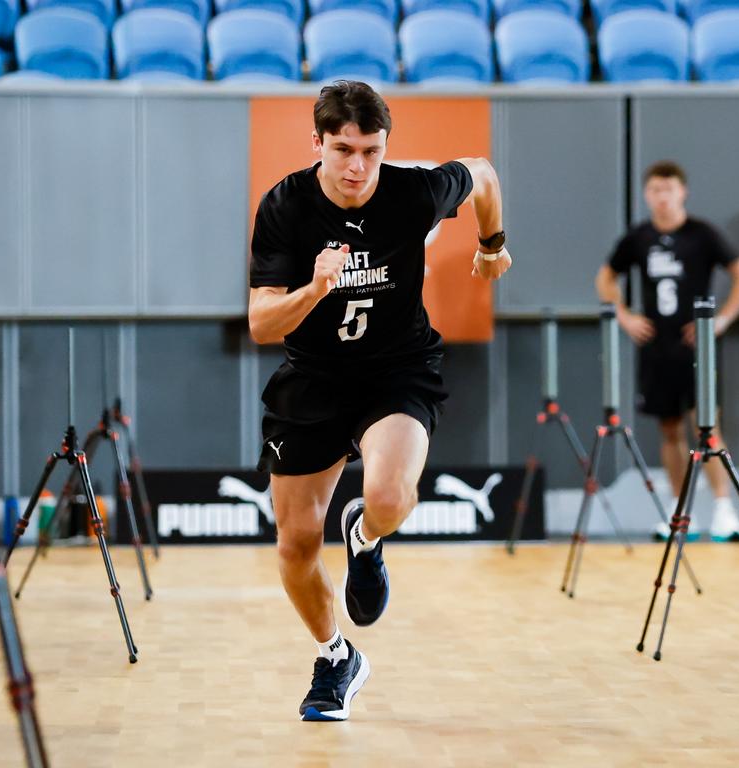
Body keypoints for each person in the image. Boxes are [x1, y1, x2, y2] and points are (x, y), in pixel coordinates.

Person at [248, 81, 510, 721]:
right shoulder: (284, 206)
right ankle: (336, 656)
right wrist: (314, 288)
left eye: (371, 149)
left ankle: (364, 537)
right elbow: (260, 322)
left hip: (397, 371)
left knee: (392, 498)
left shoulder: (414, 191)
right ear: (318, 142)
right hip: (312, 377)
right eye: (344, 150)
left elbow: (481, 173)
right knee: (296, 544)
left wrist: (491, 246)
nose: (358, 165)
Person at [595, 160, 739, 542]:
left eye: (668, 189)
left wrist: (720, 321)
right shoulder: (638, 237)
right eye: (655, 190)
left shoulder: (702, 234)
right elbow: (606, 275)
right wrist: (624, 315)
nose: (662, 197)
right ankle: (680, 510)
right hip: (656, 345)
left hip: (695, 345)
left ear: (682, 192)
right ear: (646, 194)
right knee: (668, 430)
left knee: (707, 426)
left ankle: (723, 509)